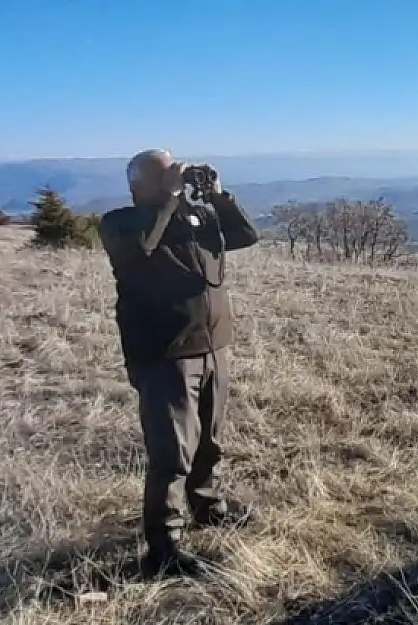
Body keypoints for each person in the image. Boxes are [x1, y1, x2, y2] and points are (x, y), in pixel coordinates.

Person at [98, 148, 260, 576]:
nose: (176, 176)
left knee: (210, 439)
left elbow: (245, 235)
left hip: (212, 345)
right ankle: (163, 547)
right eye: (165, 173)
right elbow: (143, 246)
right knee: (172, 452)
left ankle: (208, 507)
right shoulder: (121, 224)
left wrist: (219, 196)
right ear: (138, 185)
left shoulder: (194, 217)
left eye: (176, 169)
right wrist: (170, 200)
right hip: (164, 352)